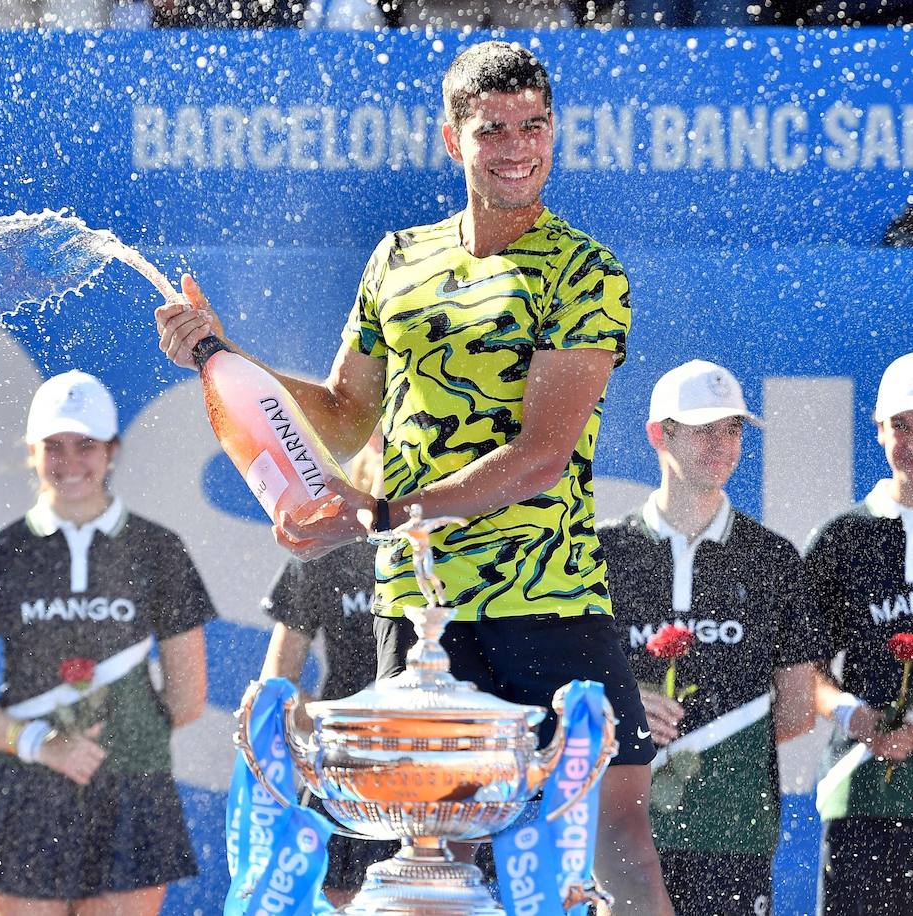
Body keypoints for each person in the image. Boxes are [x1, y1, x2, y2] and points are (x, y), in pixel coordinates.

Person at [157, 40, 673, 915]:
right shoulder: (398, 258)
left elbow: (544, 456)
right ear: (451, 139)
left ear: (555, 132)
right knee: (438, 852)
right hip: (420, 601)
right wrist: (221, 353)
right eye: (493, 129)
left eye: (535, 126)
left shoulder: (586, 270)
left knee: (617, 844)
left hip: (546, 594)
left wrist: (384, 508)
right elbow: (347, 409)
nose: (517, 146)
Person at [0, 370, 214, 916]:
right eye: (54, 447)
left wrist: (115, 743)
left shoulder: (158, 551)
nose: (69, 462)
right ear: (32, 453)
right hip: (23, 785)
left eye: (86, 445)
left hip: (131, 790)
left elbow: (188, 698)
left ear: (112, 450)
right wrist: (45, 743)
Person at [599, 360, 821, 916]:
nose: (724, 444)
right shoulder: (602, 557)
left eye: (734, 428)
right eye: (705, 429)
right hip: (624, 834)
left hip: (734, 833)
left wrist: (719, 754)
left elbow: (797, 708)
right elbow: (561, 690)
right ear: (659, 434)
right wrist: (619, 708)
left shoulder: (772, 558)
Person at [257, 436, 399, 908]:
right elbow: (276, 689)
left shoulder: (463, 550)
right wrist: (336, 723)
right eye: (385, 444)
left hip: (433, 772)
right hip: (342, 774)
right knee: (338, 900)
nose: (395, 457)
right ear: (366, 453)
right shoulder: (327, 547)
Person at [806, 352, 913, 916]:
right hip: (863, 798)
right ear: (878, 431)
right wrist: (854, 715)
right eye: (902, 425)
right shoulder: (844, 538)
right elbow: (802, 669)